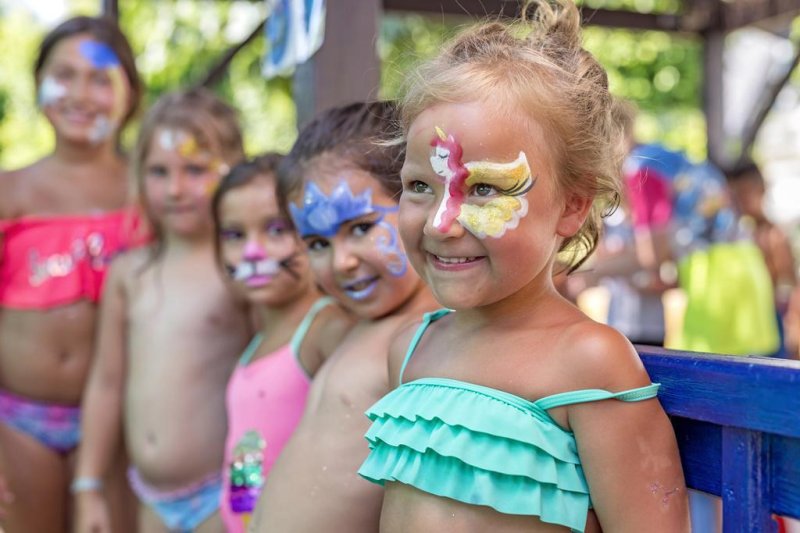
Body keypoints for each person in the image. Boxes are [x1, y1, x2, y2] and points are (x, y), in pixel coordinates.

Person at [356, 2, 690, 531]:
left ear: (571, 206)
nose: (442, 223)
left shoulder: (588, 361)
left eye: (484, 189)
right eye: (420, 186)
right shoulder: (412, 347)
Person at [250, 101, 438, 532]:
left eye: (360, 228)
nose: (342, 262)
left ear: (417, 203)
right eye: (317, 243)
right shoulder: (355, 326)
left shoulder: (427, 336)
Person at [73, 88, 252, 533]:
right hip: (149, 498)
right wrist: (88, 485)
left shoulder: (240, 270)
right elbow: (107, 382)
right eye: (159, 171)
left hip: (222, 493)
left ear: (231, 168)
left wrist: (250, 490)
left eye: (195, 170)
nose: (175, 189)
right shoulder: (130, 273)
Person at [0, 16, 142, 533]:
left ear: (130, 94)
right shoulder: (8, 192)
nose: (81, 93)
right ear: (38, 82)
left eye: (100, 79)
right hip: (16, 428)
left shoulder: (152, 198)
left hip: (122, 429)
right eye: (65, 74)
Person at [211, 154, 354, 532]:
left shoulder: (325, 327)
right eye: (234, 235)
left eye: (275, 230)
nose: (253, 252)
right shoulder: (257, 341)